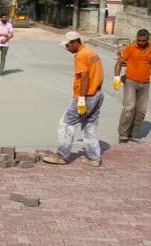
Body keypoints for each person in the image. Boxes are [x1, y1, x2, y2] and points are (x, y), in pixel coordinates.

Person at [43, 32, 105, 167]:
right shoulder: (91, 52)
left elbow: (84, 78)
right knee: (90, 126)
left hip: (85, 96)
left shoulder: (81, 56)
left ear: (75, 42)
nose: (66, 48)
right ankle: (94, 158)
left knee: (66, 124)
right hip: (97, 94)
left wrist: (81, 99)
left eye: (67, 45)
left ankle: (61, 156)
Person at [113, 29, 151, 143]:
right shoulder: (130, 48)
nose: (141, 43)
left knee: (141, 111)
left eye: (143, 41)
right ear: (136, 38)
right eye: (139, 40)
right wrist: (116, 77)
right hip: (130, 81)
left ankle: (134, 134)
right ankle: (123, 134)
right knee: (129, 107)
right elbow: (120, 61)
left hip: (145, 84)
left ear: (147, 39)